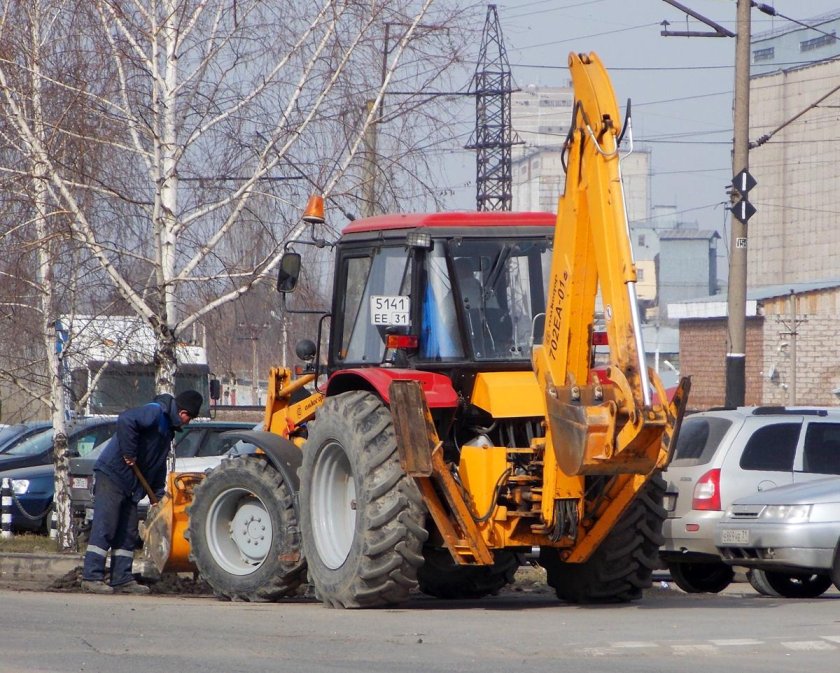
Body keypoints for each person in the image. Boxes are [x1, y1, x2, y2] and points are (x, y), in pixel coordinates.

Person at [81, 390, 203, 594]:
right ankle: (91, 577)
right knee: (107, 526)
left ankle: (122, 579)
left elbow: (156, 462)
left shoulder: (168, 430)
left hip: (131, 484)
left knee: (127, 532)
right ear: (183, 412)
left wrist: (157, 493)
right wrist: (129, 452)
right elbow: (126, 420)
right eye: (189, 417)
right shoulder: (156, 412)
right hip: (113, 475)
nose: (188, 422)